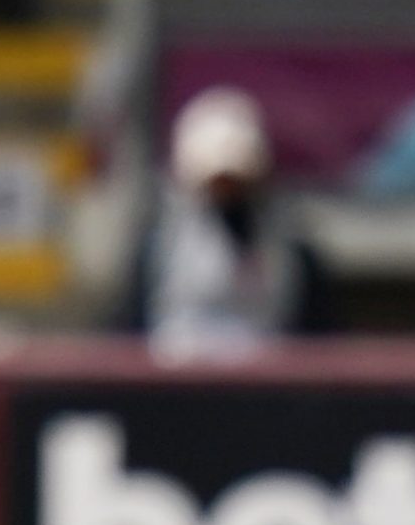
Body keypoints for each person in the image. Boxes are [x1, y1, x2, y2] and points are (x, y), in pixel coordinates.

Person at [119, 85, 334, 360]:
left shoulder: (290, 250)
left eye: (236, 181)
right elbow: (132, 332)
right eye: (216, 183)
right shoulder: (160, 247)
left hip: (263, 392)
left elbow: (318, 335)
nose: (227, 193)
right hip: (177, 389)